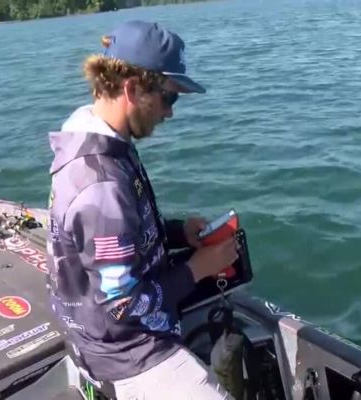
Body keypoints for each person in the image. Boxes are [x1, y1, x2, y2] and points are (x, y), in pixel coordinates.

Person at [46, 20, 237, 399]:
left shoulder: (107, 141)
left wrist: (177, 232)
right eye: (169, 99)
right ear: (132, 89)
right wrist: (198, 268)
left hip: (117, 336)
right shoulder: (100, 184)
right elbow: (123, 305)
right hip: (128, 353)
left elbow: (119, 234)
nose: (170, 113)